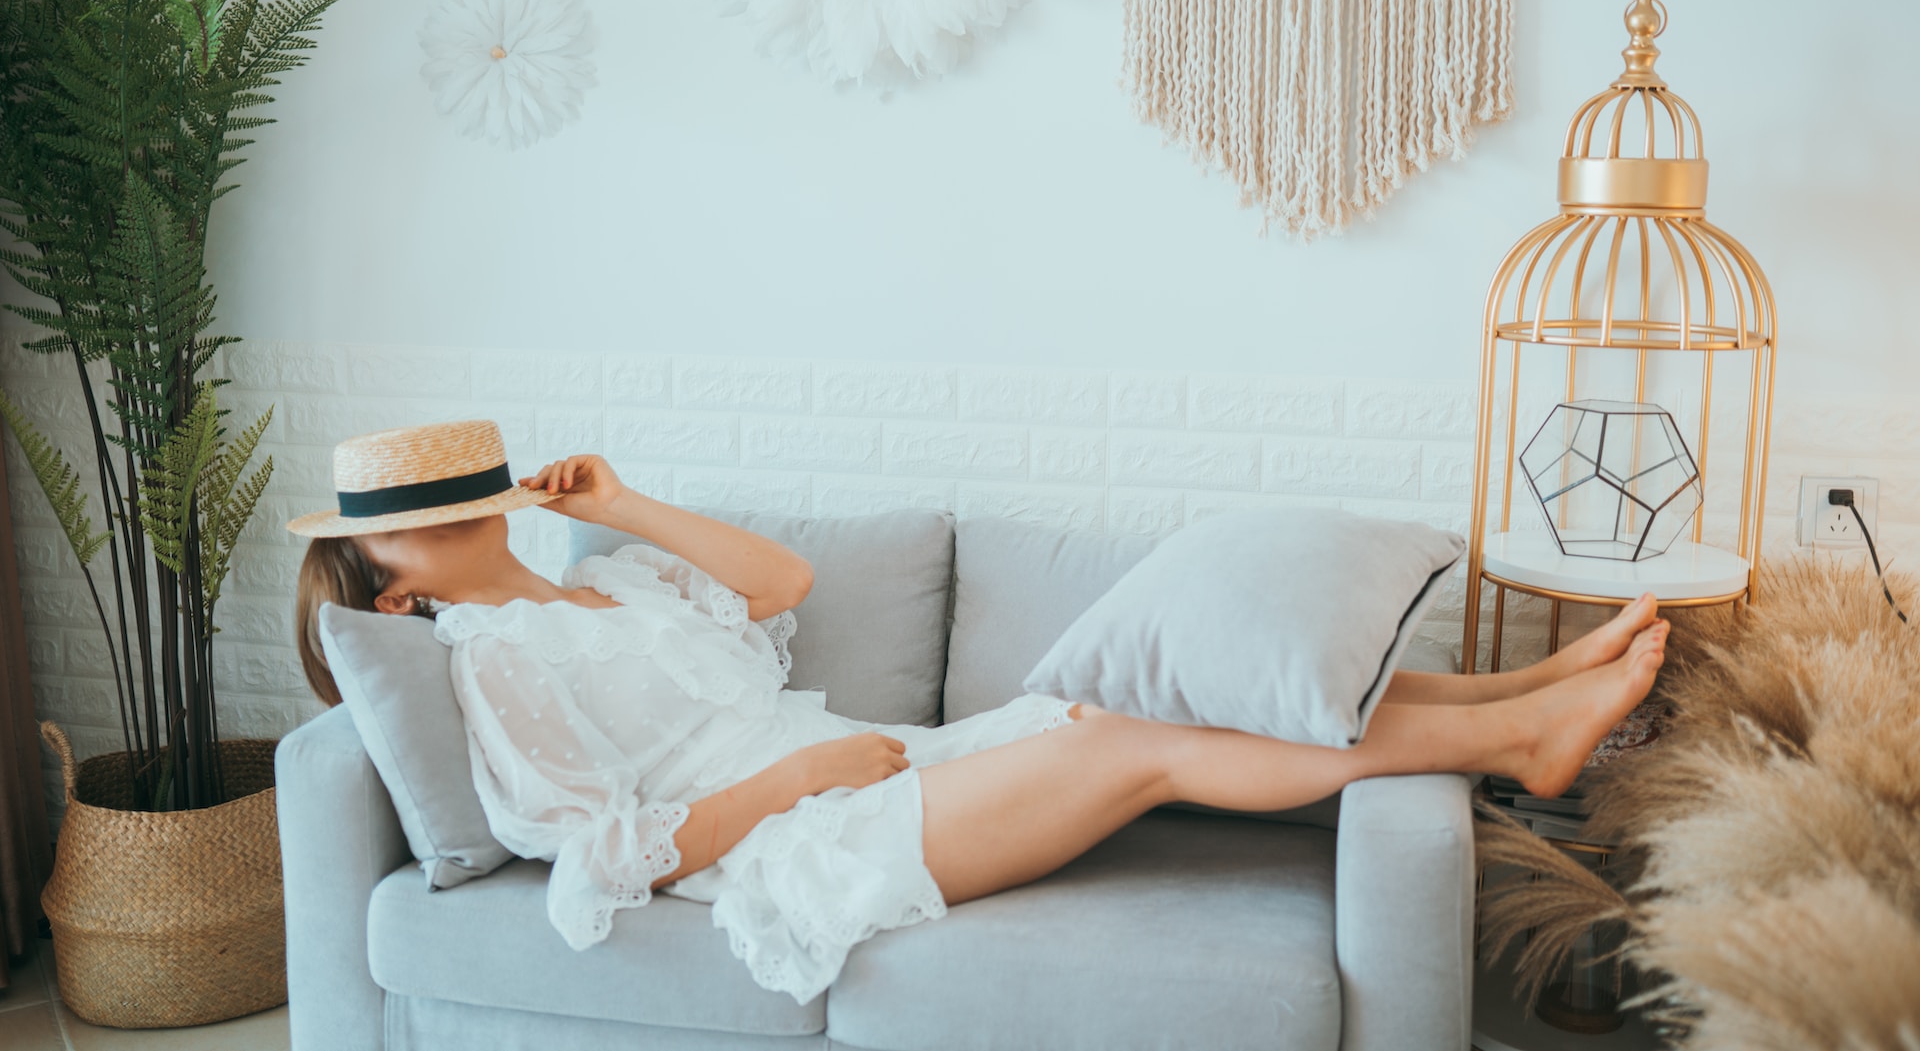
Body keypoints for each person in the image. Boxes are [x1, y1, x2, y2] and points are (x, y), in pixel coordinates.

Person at [290, 420, 1667, 1004]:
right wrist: (801, 776)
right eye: (406, 530)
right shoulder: (486, 659)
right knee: (1144, 744)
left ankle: (1519, 689)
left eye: (451, 489)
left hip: (887, 770)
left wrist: (619, 501)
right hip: (802, 838)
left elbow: (783, 581)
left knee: (1143, 686)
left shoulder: (611, 581)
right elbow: (597, 853)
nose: (440, 520)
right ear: (393, 589)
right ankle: (1520, 743)